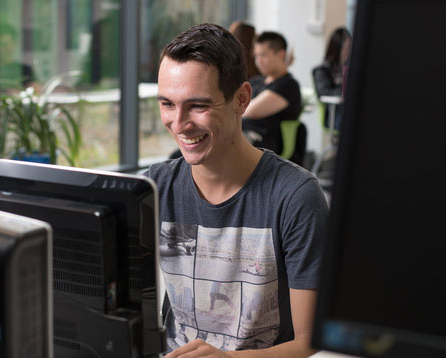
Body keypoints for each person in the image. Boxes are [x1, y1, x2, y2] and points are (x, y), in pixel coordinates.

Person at [148, 23, 328, 357]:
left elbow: (309, 340)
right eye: (167, 104)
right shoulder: (154, 188)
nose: (179, 123)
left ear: (241, 99)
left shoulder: (296, 197)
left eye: (198, 106)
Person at [242, 31, 303, 159]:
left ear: (281, 54)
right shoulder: (255, 81)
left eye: (263, 55)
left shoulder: (288, 85)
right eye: (256, 56)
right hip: (243, 134)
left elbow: (251, 110)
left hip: (265, 141)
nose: (258, 61)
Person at [312, 27, 352, 130]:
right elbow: (324, 92)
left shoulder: (350, 68)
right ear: (338, 47)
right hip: (334, 114)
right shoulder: (322, 70)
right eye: (346, 47)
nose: (349, 51)